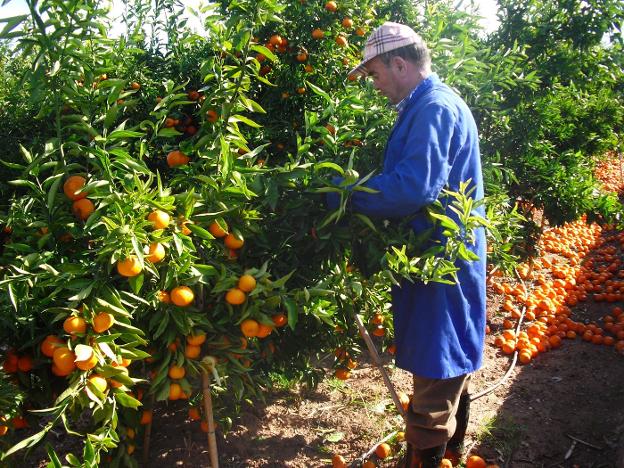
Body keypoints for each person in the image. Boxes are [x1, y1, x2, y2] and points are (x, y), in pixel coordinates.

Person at [343, 22, 487, 467]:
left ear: (399, 64)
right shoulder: (424, 106)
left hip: (441, 261)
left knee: (436, 366)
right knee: (442, 360)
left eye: (374, 73)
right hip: (434, 255)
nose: (374, 82)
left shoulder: (434, 108)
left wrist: (344, 195)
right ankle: (452, 454)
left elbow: (412, 187)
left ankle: (430, 456)